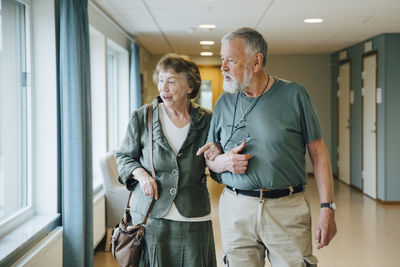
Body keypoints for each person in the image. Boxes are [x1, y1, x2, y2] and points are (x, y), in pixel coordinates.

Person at [197, 27, 337, 267]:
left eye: (231, 60)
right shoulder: (224, 102)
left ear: (256, 61)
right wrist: (224, 162)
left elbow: (318, 153)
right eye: (222, 59)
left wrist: (327, 208)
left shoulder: (294, 95)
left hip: (286, 208)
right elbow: (211, 158)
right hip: (236, 208)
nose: (223, 67)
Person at [115, 54, 217, 267]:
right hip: (151, 215)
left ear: (190, 86)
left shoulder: (207, 119)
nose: (164, 88)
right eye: (161, 80)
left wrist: (219, 155)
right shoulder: (142, 116)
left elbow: (215, 165)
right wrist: (141, 174)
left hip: (193, 214)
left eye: (171, 81)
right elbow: (124, 156)